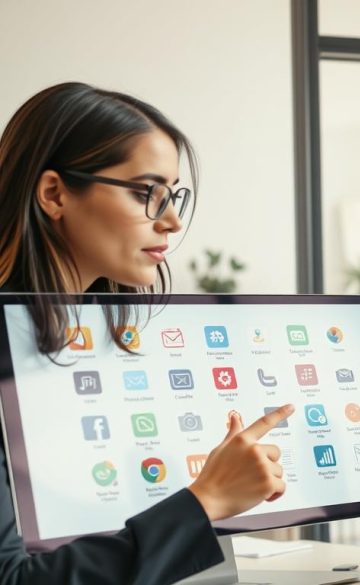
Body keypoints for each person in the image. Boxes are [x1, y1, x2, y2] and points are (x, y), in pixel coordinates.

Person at [0, 82, 292, 584]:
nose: (173, 221)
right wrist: (205, 501)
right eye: (145, 194)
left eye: (172, 195)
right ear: (54, 194)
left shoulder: (99, 340)